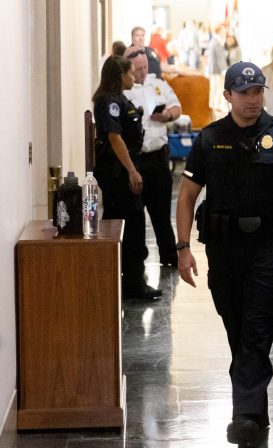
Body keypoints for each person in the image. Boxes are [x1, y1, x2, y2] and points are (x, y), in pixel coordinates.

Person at [175, 62, 273, 446]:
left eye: (257, 91)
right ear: (228, 95)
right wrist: (183, 249)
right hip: (224, 250)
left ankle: (245, 415)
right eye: (244, 92)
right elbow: (186, 197)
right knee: (238, 331)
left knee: (255, 330)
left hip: (267, 248)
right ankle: (256, 411)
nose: (252, 99)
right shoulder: (210, 138)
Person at [92, 55, 162, 300]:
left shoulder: (120, 99)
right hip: (118, 173)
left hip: (125, 169)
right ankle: (132, 284)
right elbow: (114, 138)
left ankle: (131, 280)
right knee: (131, 226)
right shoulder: (109, 102)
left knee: (130, 225)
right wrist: (132, 170)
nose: (135, 77)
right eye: (131, 73)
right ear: (120, 75)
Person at [124, 46, 182, 267]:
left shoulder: (157, 84)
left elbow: (177, 107)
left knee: (162, 214)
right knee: (135, 217)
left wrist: (166, 114)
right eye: (137, 69)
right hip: (136, 162)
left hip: (158, 158)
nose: (141, 72)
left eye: (144, 67)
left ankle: (169, 256)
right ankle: (137, 262)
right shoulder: (123, 90)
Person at [206, 24, 228, 113]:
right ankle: (217, 106)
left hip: (213, 69)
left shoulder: (213, 41)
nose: (224, 31)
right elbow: (220, 58)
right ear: (219, 31)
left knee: (214, 88)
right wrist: (224, 70)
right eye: (223, 30)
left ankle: (213, 105)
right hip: (217, 70)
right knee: (219, 88)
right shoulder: (217, 42)